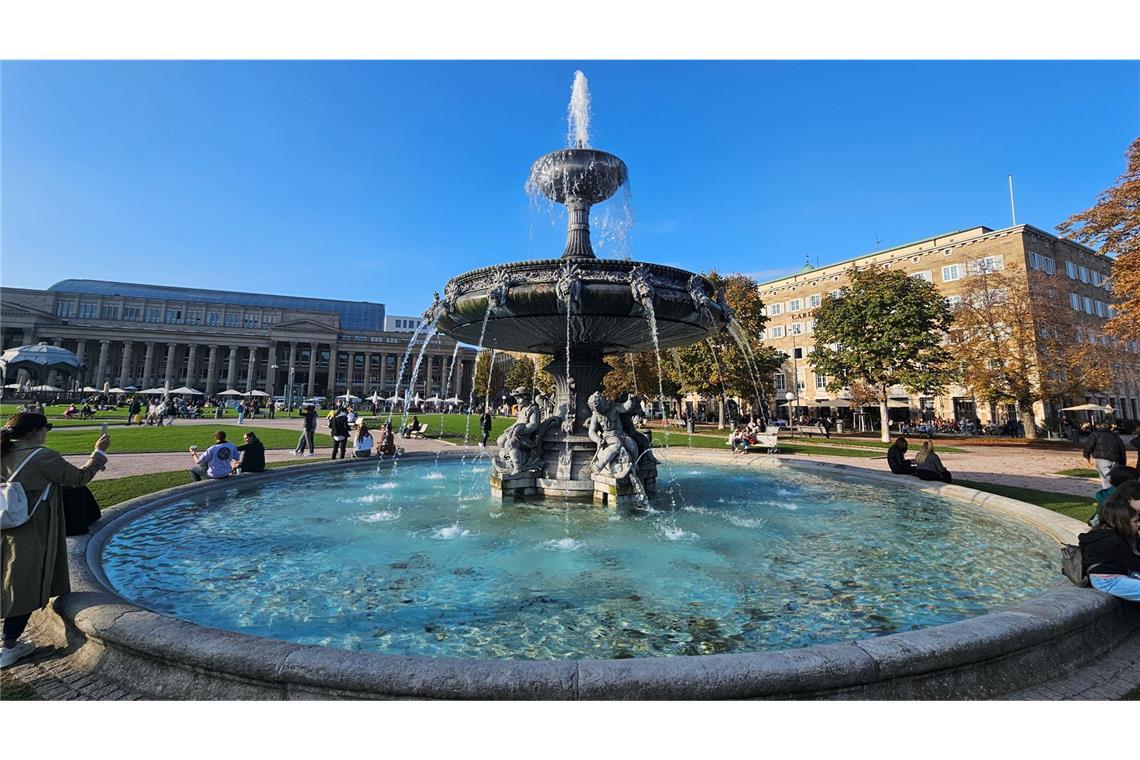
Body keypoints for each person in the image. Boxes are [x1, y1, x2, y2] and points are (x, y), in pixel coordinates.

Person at [1, 412, 110, 669]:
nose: (46, 433)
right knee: (22, 585)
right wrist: (99, 453)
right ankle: (10, 646)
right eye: (46, 428)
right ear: (34, 431)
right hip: (29, 528)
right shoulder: (42, 456)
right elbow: (78, 479)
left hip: (3, 524)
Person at [1079, 480, 1140, 602]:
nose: (1139, 524)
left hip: (1113, 574)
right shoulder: (1113, 540)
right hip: (1109, 579)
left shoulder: (1106, 530)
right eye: (1136, 522)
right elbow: (1133, 562)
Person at [1083, 424, 1127, 488]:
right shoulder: (1115, 436)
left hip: (1102, 458)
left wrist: (1086, 456)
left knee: (1106, 478)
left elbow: (1089, 445)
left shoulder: (1095, 434)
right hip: (1115, 459)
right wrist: (1123, 463)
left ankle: (1109, 493)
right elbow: (1122, 449)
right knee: (1112, 477)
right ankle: (1114, 491)